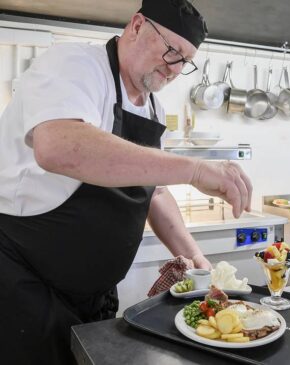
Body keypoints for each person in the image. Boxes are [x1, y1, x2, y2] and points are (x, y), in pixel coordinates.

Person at [0, 0, 252, 364]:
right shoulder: (75, 65)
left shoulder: (152, 107)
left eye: (185, 60)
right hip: (26, 284)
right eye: (171, 50)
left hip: (95, 295)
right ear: (136, 26)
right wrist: (194, 170)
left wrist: (196, 257)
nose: (175, 68)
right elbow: (57, 145)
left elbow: (154, 192)